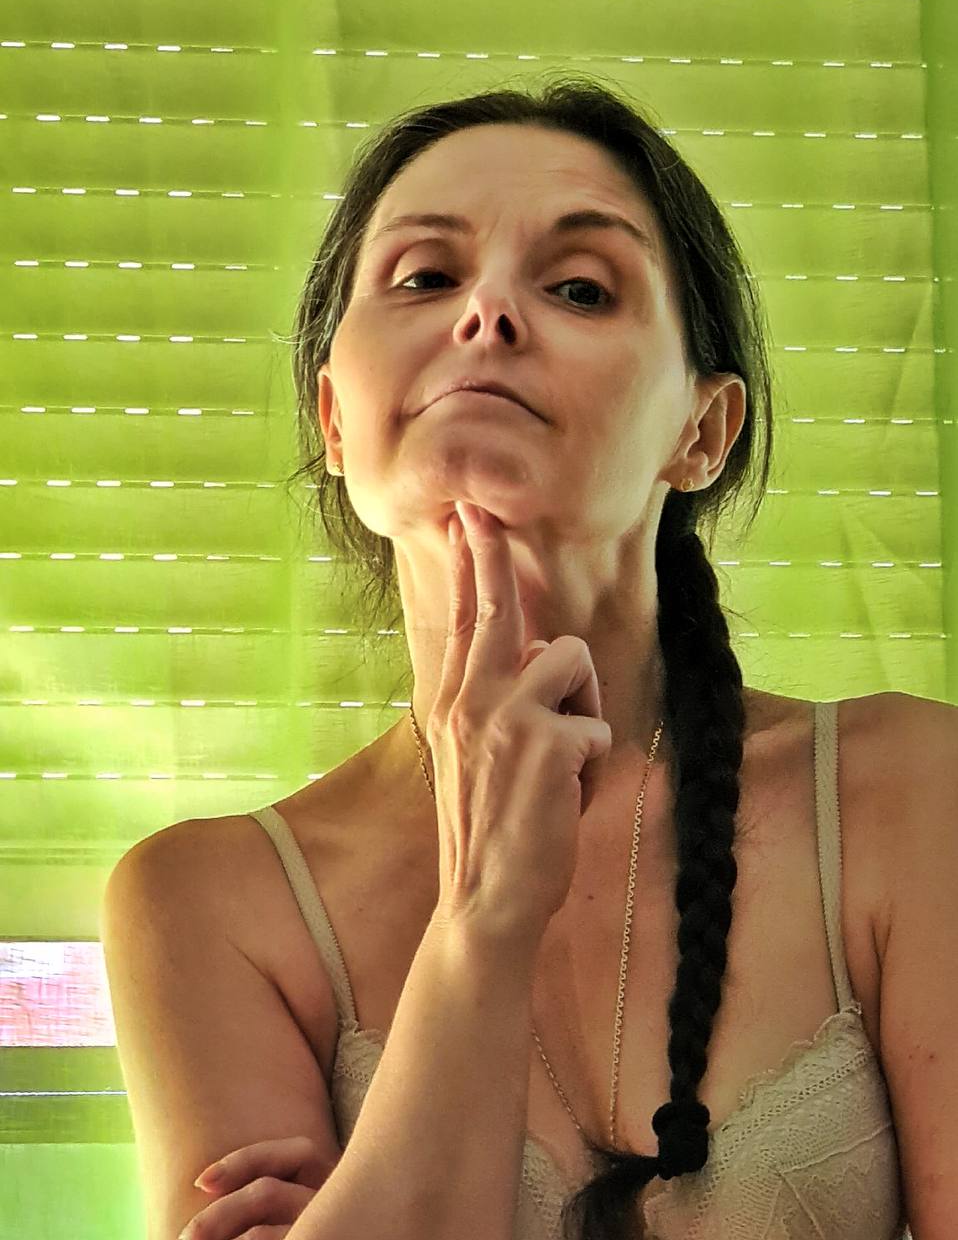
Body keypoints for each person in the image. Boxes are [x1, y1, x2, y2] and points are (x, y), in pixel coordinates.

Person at [274, 76, 908, 1238]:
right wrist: (483, 915)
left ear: (701, 431)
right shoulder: (204, 902)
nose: (485, 313)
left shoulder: (911, 791)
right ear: (334, 419)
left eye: (578, 287)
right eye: (424, 276)